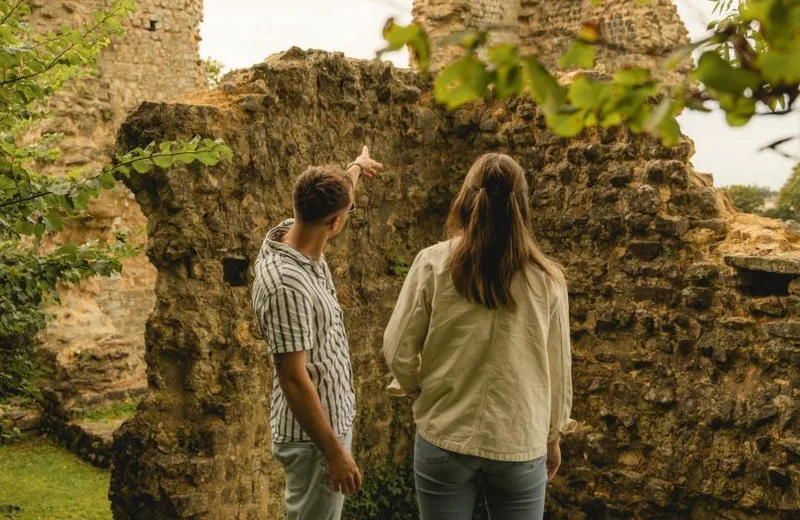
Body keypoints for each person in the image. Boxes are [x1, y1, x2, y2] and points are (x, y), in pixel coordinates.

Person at [383, 153, 575, 520]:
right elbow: (558, 371)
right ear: (522, 204)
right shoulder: (549, 280)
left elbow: (397, 348)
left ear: (466, 198)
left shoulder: (432, 262)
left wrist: (418, 387)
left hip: (445, 432)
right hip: (520, 437)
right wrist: (553, 435)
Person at [252, 146, 383, 520]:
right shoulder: (287, 286)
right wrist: (335, 453)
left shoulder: (294, 233)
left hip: (327, 427)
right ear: (336, 223)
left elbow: (337, 199)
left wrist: (355, 168)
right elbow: (293, 377)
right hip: (315, 440)